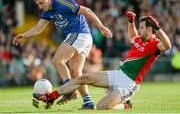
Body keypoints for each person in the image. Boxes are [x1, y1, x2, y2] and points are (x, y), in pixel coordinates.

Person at [33, 11, 171, 109]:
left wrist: (158, 29)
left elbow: (168, 45)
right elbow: (131, 37)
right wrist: (131, 22)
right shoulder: (140, 39)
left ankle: (125, 104)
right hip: (118, 74)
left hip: (129, 84)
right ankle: (52, 96)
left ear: (149, 29)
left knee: (101, 107)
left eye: (141, 28)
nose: (139, 31)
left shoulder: (155, 44)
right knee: (83, 77)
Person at [12, 0, 113, 109]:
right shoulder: (47, 12)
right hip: (82, 38)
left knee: (57, 60)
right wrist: (23, 35)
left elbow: (87, 11)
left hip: (79, 34)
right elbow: (38, 29)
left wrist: (101, 27)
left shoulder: (62, 3)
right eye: (37, 4)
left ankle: (69, 90)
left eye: (41, 3)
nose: (39, 6)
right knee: (76, 73)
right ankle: (88, 103)